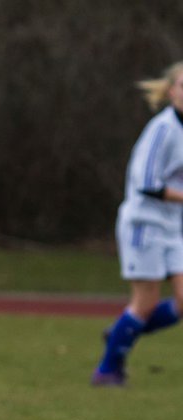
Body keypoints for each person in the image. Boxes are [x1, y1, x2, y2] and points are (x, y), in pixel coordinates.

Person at [92, 62, 183, 386]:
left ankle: (122, 330)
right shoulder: (162, 130)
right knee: (145, 302)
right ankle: (107, 370)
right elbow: (148, 184)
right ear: (171, 91)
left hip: (174, 227)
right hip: (144, 223)